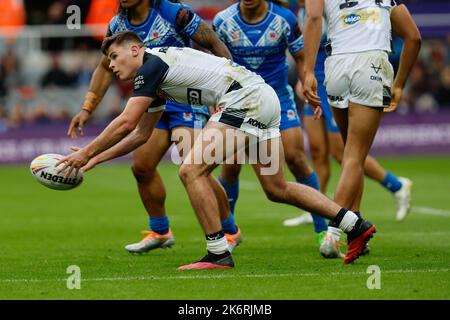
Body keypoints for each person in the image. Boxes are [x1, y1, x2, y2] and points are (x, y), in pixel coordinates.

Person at [58, 30, 377, 269]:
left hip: (244, 101)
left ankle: (218, 252)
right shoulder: (156, 73)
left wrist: (84, 152)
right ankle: (354, 224)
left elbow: (126, 121)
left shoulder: (150, 66)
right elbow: (141, 133)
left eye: (114, 57)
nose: (111, 65)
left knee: (190, 169)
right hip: (262, 99)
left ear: (135, 49)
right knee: (277, 188)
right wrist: (95, 158)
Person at [66, 0, 241, 254]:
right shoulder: (118, 24)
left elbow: (213, 43)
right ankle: (160, 231)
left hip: (185, 100)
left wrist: (228, 90)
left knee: (192, 165)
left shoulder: (175, 13)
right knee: (142, 167)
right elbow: (105, 67)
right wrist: (87, 107)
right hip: (151, 101)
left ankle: (229, 230)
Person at [283, 0, 413, 242]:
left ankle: (386, 190)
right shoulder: (302, 11)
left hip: (336, 73)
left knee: (342, 152)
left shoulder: (314, 8)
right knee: (323, 152)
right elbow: (413, 36)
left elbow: (313, 28)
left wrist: (307, 72)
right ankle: (323, 209)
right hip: (329, 78)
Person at [212, 0, 330, 249]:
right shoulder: (223, 21)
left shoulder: (284, 19)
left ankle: (323, 232)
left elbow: (300, 57)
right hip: (237, 100)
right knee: (231, 166)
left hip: (278, 99)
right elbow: (215, 65)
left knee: (296, 158)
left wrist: (307, 79)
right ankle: (228, 233)